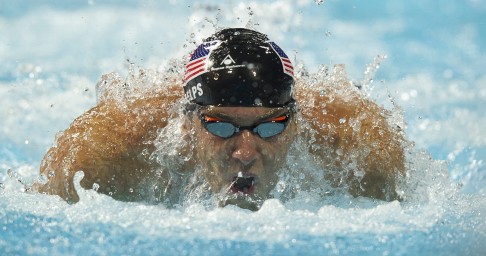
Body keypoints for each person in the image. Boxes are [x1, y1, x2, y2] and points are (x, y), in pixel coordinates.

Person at [33, 28, 405, 210]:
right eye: (221, 125)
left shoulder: (361, 152)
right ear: (186, 124)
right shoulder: (101, 159)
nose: (245, 151)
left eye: (271, 127)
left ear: (295, 125)